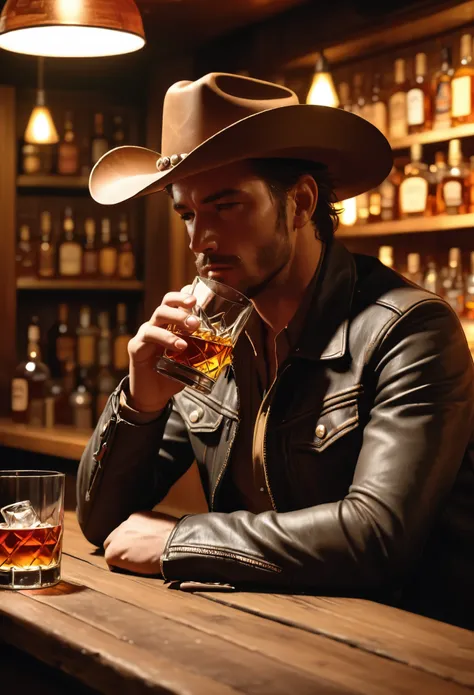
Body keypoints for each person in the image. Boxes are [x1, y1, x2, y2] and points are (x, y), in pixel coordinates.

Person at [77, 73, 474, 629]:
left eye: (225, 206)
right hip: (262, 628)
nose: (199, 241)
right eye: (187, 213)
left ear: (301, 202)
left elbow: (377, 537)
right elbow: (103, 522)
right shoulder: (213, 333)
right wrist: (140, 404)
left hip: (406, 648)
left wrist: (182, 539)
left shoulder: (410, 330)